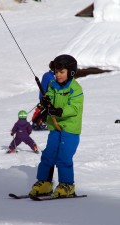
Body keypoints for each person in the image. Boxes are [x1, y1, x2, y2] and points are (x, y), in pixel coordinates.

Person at [29, 54, 84, 197]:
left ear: (71, 72)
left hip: (70, 129)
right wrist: (46, 103)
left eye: (61, 72)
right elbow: (50, 97)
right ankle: (45, 183)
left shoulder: (75, 89)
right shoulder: (53, 86)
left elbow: (75, 108)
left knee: (64, 157)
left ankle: (67, 185)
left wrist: (59, 111)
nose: (58, 75)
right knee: (49, 154)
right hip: (55, 128)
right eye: (56, 72)